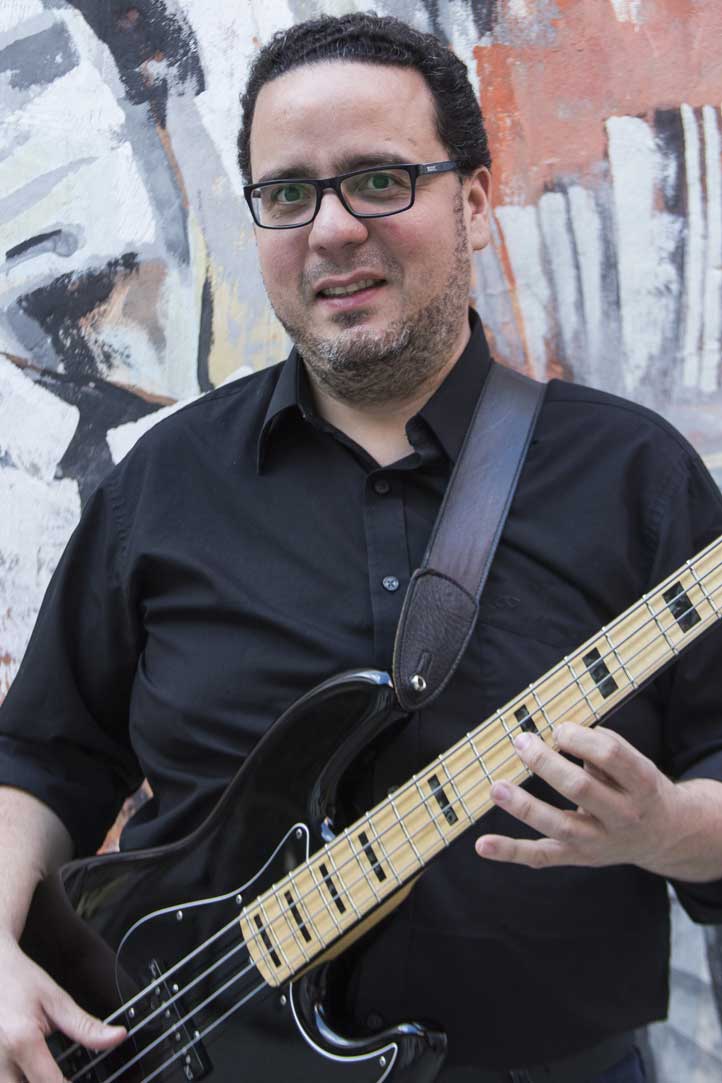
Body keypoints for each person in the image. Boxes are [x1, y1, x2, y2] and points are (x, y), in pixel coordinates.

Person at [1, 11, 722, 1082]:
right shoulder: (164, 481)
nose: (332, 230)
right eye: (289, 194)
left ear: (472, 200)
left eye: (380, 180)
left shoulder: (635, 476)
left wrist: (664, 826)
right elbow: (41, 759)